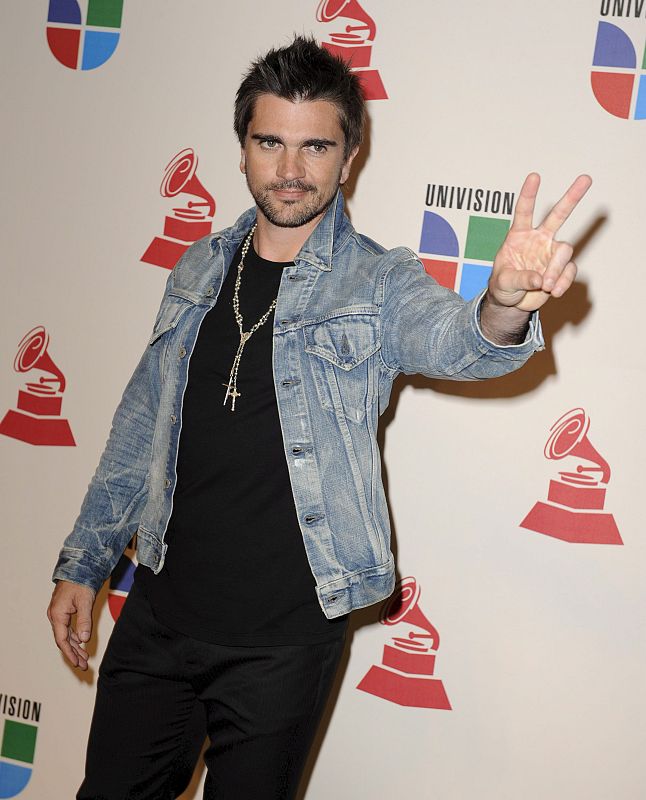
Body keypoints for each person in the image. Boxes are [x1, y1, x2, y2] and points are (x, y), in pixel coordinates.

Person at [47, 35, 591, 800]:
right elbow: (140, 427)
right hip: (159, 616)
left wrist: (501, 306)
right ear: (243, 149)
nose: (291, 169)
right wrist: (84, 561)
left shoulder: (377, 281)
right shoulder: (198, 268)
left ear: (349, 157)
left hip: (282, 642)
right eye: (270, 142)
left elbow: (457, 341)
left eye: (316, 146)